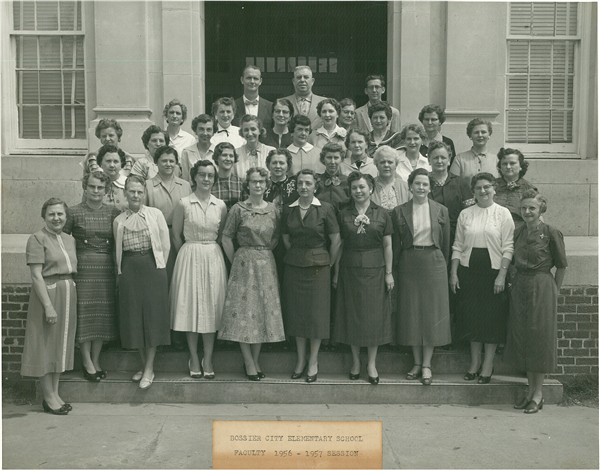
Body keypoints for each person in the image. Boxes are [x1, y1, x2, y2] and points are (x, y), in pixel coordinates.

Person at [504, 191, 567, 413]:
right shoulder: (519, 231)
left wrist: (554, 291)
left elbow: (561, 265)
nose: (527, 212)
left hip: (542, 287)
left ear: (541, 209)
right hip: (521, 286)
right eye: (524, 208)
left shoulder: (551, 232)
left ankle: (538, 394)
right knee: (524, 338)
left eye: (532, 208)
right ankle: (529, 392)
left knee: (539, 339)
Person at [219, 167, 285, 381]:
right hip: (243, 264)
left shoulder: (274, 210)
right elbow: (226, 237)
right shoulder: (238, 209)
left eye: (261, 182)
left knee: (262, 312)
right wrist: (237, 260)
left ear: (267, 185)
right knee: (245, 313)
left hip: (266, 263)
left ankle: (255, 360)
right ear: (247, 185)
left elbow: (275, 238)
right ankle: (248, 361)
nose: (258, 185)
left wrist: (262, 254)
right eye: (254, 181)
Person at [450, 172, 514, 384]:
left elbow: (508, 247)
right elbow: (457, 246)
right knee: (472, 316)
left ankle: (488, 365)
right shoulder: (466, 214)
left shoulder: (503, 214)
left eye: (487, 187)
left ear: (494, 188)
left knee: (491, 318)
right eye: (478, 188)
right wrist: (453, 272)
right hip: (469, 270)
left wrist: (502, 275)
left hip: (493, 271)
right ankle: (475, 362)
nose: (483, 191)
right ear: (473, 191)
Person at [332, 172, 394, 384]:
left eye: (362, 187)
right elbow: (339, 245)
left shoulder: (383, 213)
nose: (358, 191)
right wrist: (337, 271)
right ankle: (356, 361)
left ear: (371, 189)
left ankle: (371, 364)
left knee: (372, 318)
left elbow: (388, 245)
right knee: (352, 316)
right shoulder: (342, 213)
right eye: (354, 188)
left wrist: (388, 273)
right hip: (349, 269)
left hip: (375, 269)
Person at [170, 160, 228, 380]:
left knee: (211, 308)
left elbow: (222, 235)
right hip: (189, 255)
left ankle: (209, 357)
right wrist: (187, 255)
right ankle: (194, 356)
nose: (206, 179)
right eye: (202, 175)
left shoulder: (220, 205)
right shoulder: (184, 203)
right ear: (194, 177)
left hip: (213, 256)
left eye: (210, 175)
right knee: (191, 307)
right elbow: (176, 235)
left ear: (215, 179)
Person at [392, 168, 451, 385]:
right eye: (417, 183)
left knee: (431, 312)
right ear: (410, 186)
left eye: (425, 184)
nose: (421, 187)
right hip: (409, 262)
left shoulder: (441, 210)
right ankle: (416, 363)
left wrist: (440, 262)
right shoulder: (399, 211)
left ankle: (427, 364)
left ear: (430, 187)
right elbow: (396, 244)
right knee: (412, 313)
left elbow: (445, 243)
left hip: (434, 263)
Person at [282, 170, 341, 383]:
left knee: (316, 316)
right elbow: (286, 238)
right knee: (297, 314)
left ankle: (313, 360)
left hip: (319, 268)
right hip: (295, 265)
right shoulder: (289, 210)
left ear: (315, 186)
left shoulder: (325, 209)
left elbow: (335, 241)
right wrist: (300, 254)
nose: (304, 187)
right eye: (300, 183)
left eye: (308, 183)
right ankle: (300, 360)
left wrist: (328, 263)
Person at [114, 175, 171, 389]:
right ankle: (144, 365)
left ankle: (149, 368)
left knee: (152, 317)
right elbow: (117, 251)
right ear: (125, 193)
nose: (135, 195)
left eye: (139, 191)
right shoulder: (119, 221)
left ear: (144, 193)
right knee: (134, 317)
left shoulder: (155, 215)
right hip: (129, 269)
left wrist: (158, 268)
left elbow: (165, 245)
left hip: (152, 267)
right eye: (131, 191)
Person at [21, 198, 77, 415]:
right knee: (46, 344)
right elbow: (36, 275)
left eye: (60, 214)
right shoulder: (37, 239)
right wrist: (48, 306)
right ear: (44, 216)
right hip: (48, 292)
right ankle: (48, 397)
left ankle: (54, 393)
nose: (56, 218)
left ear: (66, 216)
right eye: (52, 214)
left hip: (68, 290)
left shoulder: (69, 239)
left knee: (59, 344)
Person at [64, 171, 120, 382]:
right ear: (84, 188)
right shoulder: (73, 212)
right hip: (84, 270)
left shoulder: (113, 212)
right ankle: (86, 360)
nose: (96, 191)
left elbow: (116, 244)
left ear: (106, 190)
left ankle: (96, 360)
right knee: (85, 314)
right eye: (92, 187)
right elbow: (65, 241)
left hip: (105, 269)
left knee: (102, 316)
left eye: (100, 188)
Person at [145, 146, 192, 283]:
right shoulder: (148, 185)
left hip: (180, 238)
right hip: (157, 238)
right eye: (164, 161)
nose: (168, 164)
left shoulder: (185, 186)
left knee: (179, 279)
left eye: (172, 161)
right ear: (156, 163)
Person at [263, 149, 299, 284]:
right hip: (266, 238)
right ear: (268, 165)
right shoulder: (262, 185)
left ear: (288, 165)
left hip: (289, 238)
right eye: (274, 163)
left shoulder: (296, 186)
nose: (278, 166)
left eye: (281, 163)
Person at [427, 141, 474, 244]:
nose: (439, 161)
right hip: (429, 236)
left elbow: (470, 213)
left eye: (443, 158)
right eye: (435, 158)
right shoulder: (423, 182)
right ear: (429, 160)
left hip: (456, 236)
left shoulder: (461, 183)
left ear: (449, 160)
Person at [494, 148, 537, 233]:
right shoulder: (491, 186)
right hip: (493, 231)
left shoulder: (529, 188)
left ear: (521, 166)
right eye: (504, 164)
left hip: (519, 233)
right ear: (500, 167)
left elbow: (536, 216)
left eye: (512, 163)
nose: (508, 167)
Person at [233, 65, 273, 130]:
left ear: (260, 81)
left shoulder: (270, 107)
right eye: (249, 78)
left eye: (255, 78)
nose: (252, 81)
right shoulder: (232, 106)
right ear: (242, 80)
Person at [371, 145, 410, 211]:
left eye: (390, 162)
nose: (386, 165)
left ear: (396, 165)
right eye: (382, 162)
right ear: (377, 165)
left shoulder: (405, 187)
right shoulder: (370, 186)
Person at [211, 142, 246, 211]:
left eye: (231, 156)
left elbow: (246, 210)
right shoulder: (210, 182)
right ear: (216, 158)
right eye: (224, 155)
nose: (228, 159)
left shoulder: (241, 183)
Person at [315, 142, 350, 211]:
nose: (332, 162)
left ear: (341, 159)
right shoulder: (317, 181)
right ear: (323, 159)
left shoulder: (347, 181)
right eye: (329, 157)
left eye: (336, 158)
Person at [181, 114, 215, 184]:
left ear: (213, 132)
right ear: (195, 131)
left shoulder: (218, 152)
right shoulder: (187, 152)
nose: (205, 133)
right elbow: (185, 180)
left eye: (208, 130)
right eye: (201, 129)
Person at [95, 145, 128, 211]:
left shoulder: (128, 184)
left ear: (121, 164)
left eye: (116, 161)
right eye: (108, 161)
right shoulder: (94, 184)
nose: (112, 165)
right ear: (101, 163)